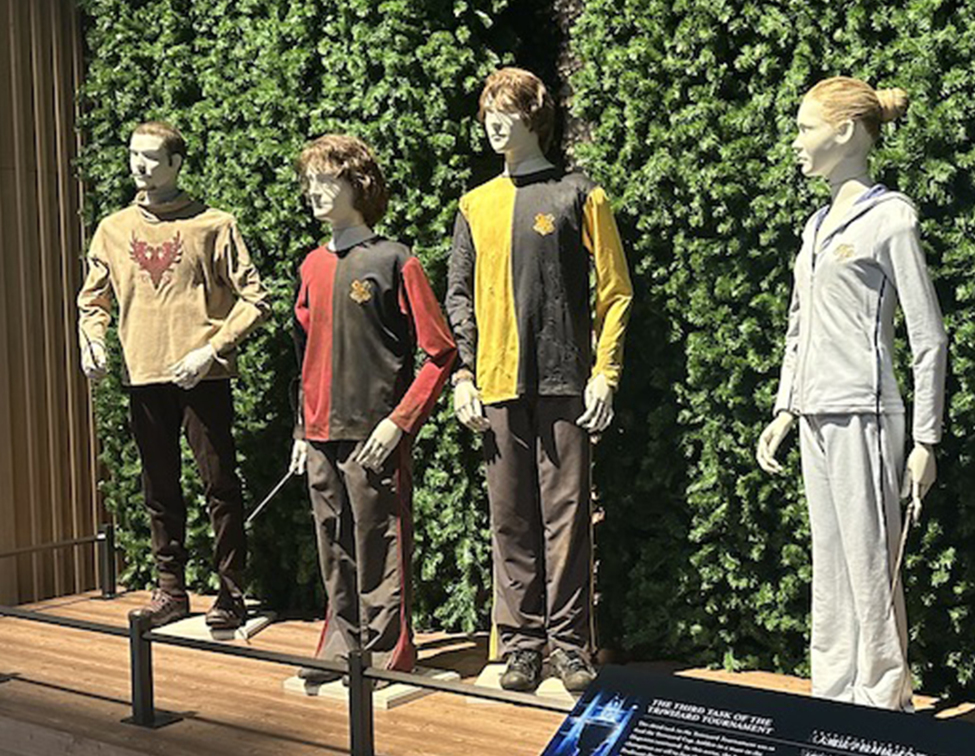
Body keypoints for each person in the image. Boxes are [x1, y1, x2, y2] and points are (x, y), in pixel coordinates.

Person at [756, 77, 948, 710]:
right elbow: (799, 325)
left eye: (805, 129)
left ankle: (884, 701)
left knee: (870, 564)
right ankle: (834, 694)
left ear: (843, 133)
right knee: (831, 562)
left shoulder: (890, 219)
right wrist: (786, 407)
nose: (796, 142)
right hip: (815, 413)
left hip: (865, 410)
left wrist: (926, 439)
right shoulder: (815, 226)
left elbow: (928, 335)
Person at [446, 67, 633, 693]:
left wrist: (605, 373)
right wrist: (464, 375)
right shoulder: (474, 205)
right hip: (497, 385)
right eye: (488, 112)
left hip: (564, 381)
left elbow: (615, 290)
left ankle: (570, 646)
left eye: (506, 110)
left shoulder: (580, 194)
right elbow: (458, 296)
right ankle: (522, 645)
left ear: (534, 116)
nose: (494, 123)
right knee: (510, 520)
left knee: (568, 518)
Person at [78, 121, 270, 629]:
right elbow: (92, 301)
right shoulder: (113, 229)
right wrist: (92, 340)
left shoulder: (213, 225)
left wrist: (212, 349)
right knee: (158, 489)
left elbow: (256, 299)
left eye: (150, 156)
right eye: (133, 155)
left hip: (202, 376)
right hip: (144, 375)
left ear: (177, 163)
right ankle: (171, 591)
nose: (138, 165)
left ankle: (231, 593)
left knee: (220, 484)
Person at [289, 134, 457, 681]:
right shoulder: (311, 266)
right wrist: (301, 429)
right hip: (320, 432)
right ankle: (341, 646)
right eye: (309, 181)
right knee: (332, 543)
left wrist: (400, 422)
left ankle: (388, 654)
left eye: (326, 180)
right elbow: (304, 356)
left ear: (358, 185)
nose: (314, 191)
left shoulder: (394, 260)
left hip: (374, 432)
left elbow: (440, 352)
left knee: (380, 542)